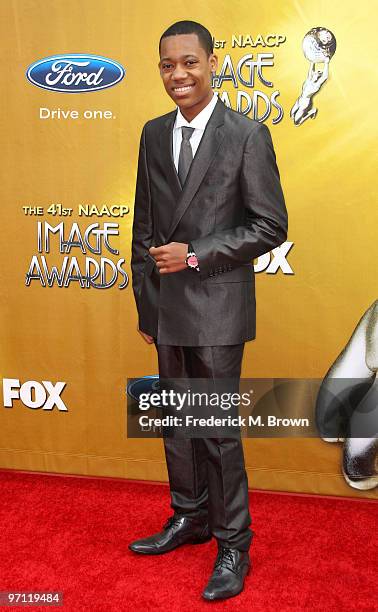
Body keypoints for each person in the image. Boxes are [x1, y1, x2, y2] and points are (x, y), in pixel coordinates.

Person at [129, 20, 288, 601]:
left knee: (218, 431)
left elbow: (270, 225)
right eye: (168, 64)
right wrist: (146, 304)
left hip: (218, 307)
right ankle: (190, 517)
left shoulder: (246, 134)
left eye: (189, 63)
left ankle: (232, 543)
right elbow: (144, 222)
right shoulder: (151, 133)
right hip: (166, 307)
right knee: (178, 422)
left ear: (212, 62)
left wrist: (195, 255)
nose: (179, 75)